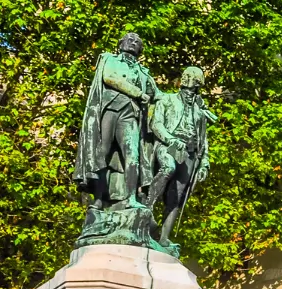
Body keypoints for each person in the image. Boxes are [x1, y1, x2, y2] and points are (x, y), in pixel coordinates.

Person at [74, 33, 159, 209]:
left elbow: (158, 95)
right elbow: (110, 78)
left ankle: (131, 198)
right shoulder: (109, 59)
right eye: (130, 40)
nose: (134, 43)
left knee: (133, 155)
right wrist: (137, 93)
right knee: (102, 152)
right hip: (110, 109)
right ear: (121, 44)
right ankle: (98, 199)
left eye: (138, 42)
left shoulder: (143, 72)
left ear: (140, 50)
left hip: (130, 114)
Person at [145, 66, 215, 250]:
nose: (190, 92)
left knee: (178, 196)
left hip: (190, 154)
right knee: (168, 168)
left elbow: (203, 139)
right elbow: (156, 124)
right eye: (188, 88)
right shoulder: (167, 100)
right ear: (182, 85)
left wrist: (204, 163)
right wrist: (171, 139)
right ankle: (146, 209)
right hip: (169, 145)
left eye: (194, 89)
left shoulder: (200, 111)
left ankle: (164, 238)